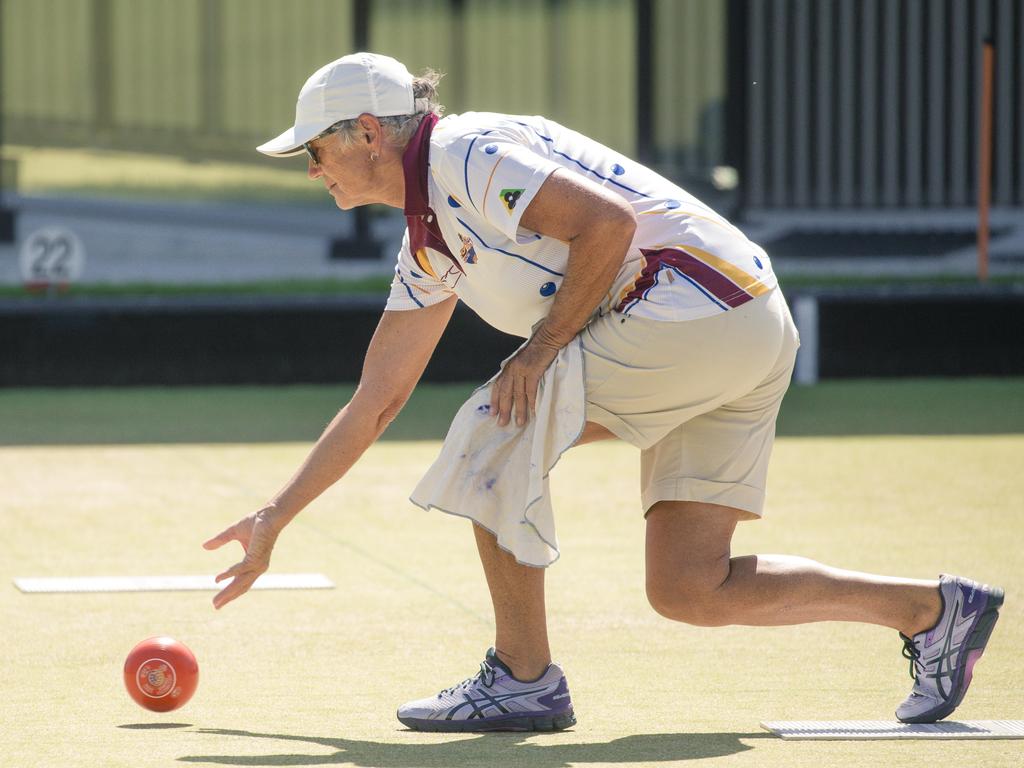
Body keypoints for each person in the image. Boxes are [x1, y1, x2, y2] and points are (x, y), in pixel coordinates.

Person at [204, 52, 1004, 732]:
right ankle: (934, 612)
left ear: (368, 134)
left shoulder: (467, 155)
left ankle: (523, 679)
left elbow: (608, 224)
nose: (311, 169)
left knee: (494, 431)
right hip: (741, 322)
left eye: (315, 149)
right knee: (690, 588)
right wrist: (278, 516)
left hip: (697, 310)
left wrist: (541, 349)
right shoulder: (428, 239)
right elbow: (376, 398)